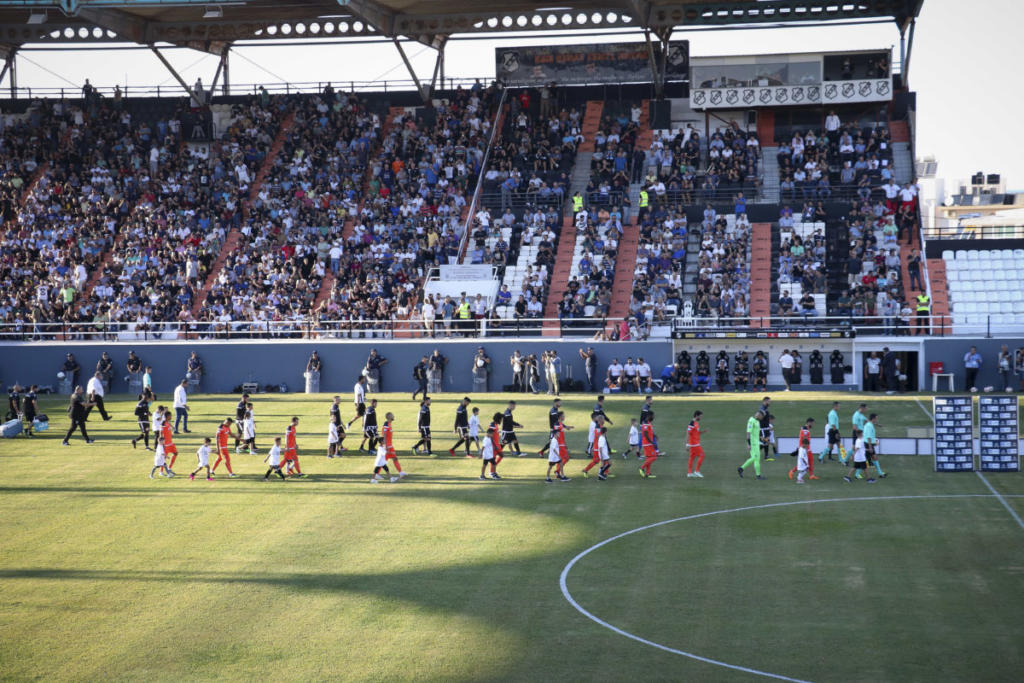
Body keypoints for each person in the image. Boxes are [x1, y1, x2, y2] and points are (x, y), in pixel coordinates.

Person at [737, 410, 765, 479]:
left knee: (757, 459)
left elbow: (758, 431)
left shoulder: (757, 421)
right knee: (755, 458)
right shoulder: (751, 421)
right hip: (753, 443)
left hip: (756, 442)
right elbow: (748, 433)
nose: (762, 418)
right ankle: (741, 468)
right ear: (759, 415)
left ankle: (758, 475)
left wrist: (762, 438)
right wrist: (749, 444)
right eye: (762, 416)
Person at [789, 418, 817, 483]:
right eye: (812, 423)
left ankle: (810, 475)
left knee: (809, 461)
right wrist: (806, 448)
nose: (813, 424)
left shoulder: (805, 428)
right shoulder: (805, 429)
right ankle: (794, 472)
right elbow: (804, 438)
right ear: (809, 422)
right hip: (805, 448)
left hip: (805, 447)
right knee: (807, 462)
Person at [545, 416, 570, 483]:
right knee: (550, 467)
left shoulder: (555, 440)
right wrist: (558, 456)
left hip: (556, 457)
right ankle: (547, 478)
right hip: (553, 457)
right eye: (558, 433)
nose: (559, 434)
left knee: (561, 464)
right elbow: (553, 449)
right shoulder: (554, 440)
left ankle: (562, 476)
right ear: (555, 434)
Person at [863, 412, 885, 478]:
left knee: (874, 458)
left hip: (868, 444)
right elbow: (869, 437)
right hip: (868, 444)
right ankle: (856, 474)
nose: (877, 420)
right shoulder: (869, 426)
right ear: (873, 419)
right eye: (876, 418)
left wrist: (878, 425)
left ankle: (880, 473)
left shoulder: (869, 424)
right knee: (863, 460)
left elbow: (873, 423)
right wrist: (870, 447)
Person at [686, 410, 706, 478]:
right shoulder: (691, 423)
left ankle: (689, 473)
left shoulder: (696, 423)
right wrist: (687, 444)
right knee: (702, 455)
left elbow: (696, 432)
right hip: (694, 444)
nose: (701, 418)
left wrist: (703, 432)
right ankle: (697, 471)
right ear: (696, 416)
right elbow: (688, 433)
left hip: (694, 443)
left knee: (692, 458)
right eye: (700, 416)